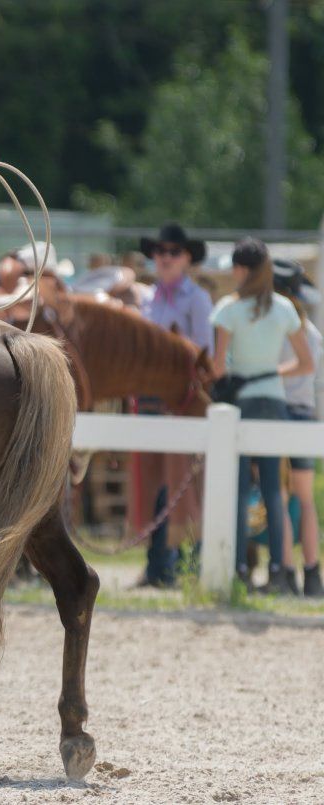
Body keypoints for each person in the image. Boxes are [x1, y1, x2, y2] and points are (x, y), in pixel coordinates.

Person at [210, 238, 314, 593]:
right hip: (275, 402)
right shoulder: (284, 308)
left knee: (239, 490)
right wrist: (271, 373)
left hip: (242, 404)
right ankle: (279, 572)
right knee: (273, 490)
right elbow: (306, 363)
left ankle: (239, 568)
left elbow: (217, 367)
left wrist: (240, 375)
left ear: (242, 269)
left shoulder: (228, 309)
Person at [134, 223, 213, 587]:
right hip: (149, 395)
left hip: (180, 398)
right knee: (152, 479)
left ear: (186, 259)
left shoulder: (196, 299)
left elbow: (203, 350)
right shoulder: (148, 298)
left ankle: (173, 564)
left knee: (178, 481)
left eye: (173, 252)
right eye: (160, 251)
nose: (165, 258)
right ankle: (157, 564)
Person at [273, 259, 323, 596]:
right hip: (306, 415)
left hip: (279, 413)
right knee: (306, 500)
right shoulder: (314, 334)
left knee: (280, 496)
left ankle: (285, 571)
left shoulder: (276, 327)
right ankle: (313, 573)